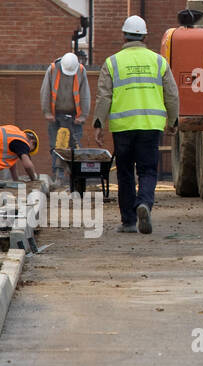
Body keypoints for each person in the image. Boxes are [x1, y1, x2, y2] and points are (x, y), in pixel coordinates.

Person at [93, 16, 179, 235]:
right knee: (148, 170)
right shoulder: (158, 61)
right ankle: (144, 203)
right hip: (151, 126)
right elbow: (172, 94)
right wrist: (173, 120)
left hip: (123, 127)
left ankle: (129, 222)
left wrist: (98, 124)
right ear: (145, 36)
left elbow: (104, 97)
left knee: (125, 173)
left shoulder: (112, 62)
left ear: (124, 35)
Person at [41, 51, 90, 184]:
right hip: (55, 115)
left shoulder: (80, 70)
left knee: (75, 148)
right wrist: (47, 113)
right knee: (56, 147)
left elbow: (85, 93)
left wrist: (83, 116)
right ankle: (58, 176)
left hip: (74, 116)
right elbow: (45, 91)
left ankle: (75, 178)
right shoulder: (52, 69)